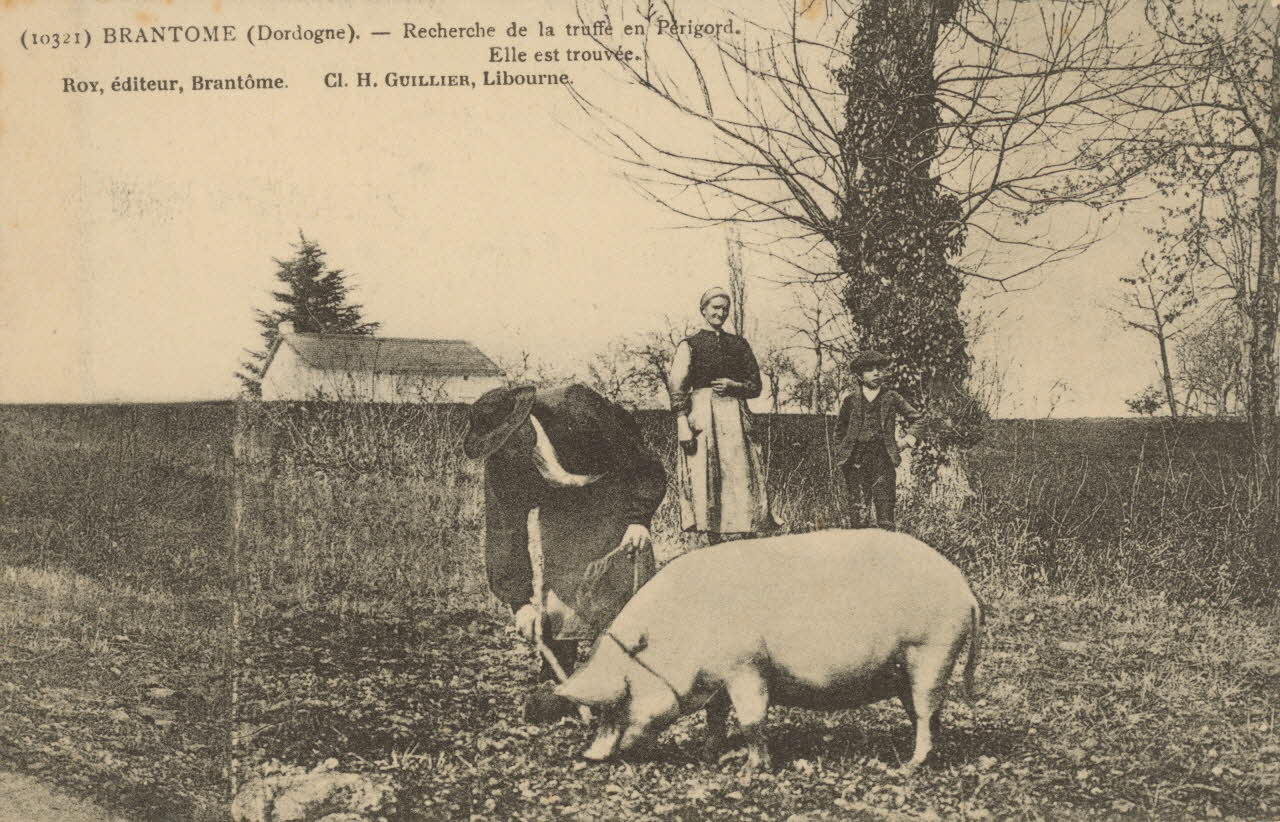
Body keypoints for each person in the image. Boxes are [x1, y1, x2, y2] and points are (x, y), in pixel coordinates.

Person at [463, 383, 666, 722]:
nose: (509, 450)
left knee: (623, 592)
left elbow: (642, 463)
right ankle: (561, 685)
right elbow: (504, 530)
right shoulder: (503, 463)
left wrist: (639, 518)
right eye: (500, 445)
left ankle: (633, 682)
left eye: (512, 438)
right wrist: (519, 604)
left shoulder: (578, 411)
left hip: (613, 492)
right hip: (562, 508)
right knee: (560, 596)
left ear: (526, 420)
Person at [669, 287, 775, 542]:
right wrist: (682, 422)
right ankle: (712, 537)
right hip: (703, 416)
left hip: (735, 417)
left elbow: (756, 386)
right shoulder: (690, 344)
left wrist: (734, 386)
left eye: (725, 308)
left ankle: (746, 532)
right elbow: (677, 387)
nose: (720, 313)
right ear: (703, 310)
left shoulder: (739, 344)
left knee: (739, 471)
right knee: (707, 472)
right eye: (715, 307)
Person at [834, 350, 924, 530]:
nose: (876, 373)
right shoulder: (850, 401)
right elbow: (839, 432)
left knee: (886, 516)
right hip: (855, 462)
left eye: (879, 369)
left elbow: (918, 419)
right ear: (860, 375)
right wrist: (843, 454)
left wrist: (906, 441)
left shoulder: (891, 397)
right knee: (859, 516)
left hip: (883, 461)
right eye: (869, 369)